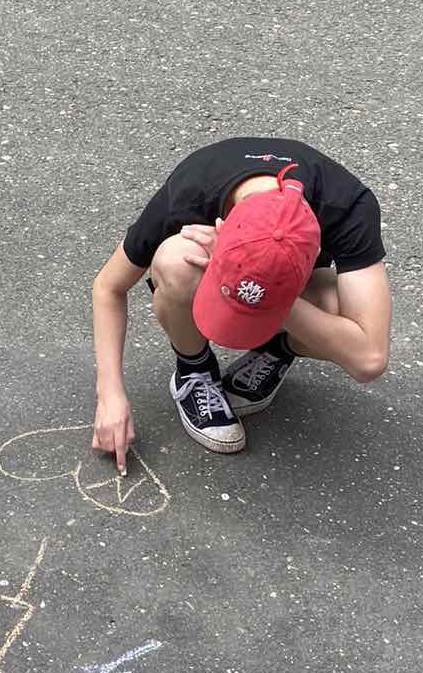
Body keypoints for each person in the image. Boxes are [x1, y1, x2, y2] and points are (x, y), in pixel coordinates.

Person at [91, 137, 390, 464]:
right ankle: (194, 369)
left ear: (314, 248)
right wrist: (110, 395)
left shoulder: (347, 206)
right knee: (177, 261)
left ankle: (278, 349)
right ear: (222, 226)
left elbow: (369, 360)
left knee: (340, 308)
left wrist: (273, 298)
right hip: (213, 261)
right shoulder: (194, 189)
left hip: (295, 289)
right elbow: (108, 287)